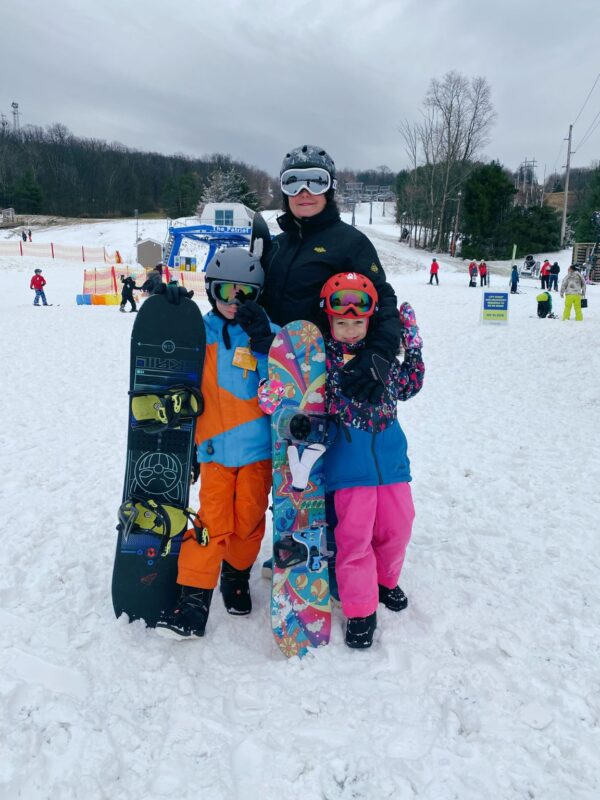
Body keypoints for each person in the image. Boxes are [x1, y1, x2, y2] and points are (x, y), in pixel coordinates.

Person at [258, 144, 402, 589]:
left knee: (330, 464)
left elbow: (385, 304)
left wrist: (377, 357)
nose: (304, 192)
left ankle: (339, 554)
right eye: (293, 182)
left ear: (330, 188)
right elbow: (255, 295)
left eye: (315, 181)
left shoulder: (350, 242)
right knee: (289, 462)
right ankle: (294, 538)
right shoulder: (277, 246)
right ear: (282, 190)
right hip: (282, 373)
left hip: (333, 374)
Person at [155, 246, 278, 638]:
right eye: (225, 291)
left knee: (249, 521)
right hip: (214, 452)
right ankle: (193, 600)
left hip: (258, 452)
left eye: (244, 294)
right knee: (211, 523)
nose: (233, 302)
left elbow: (281, 387)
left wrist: (263, 345)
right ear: (211, 290)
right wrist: (171, 311)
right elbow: (168, 346)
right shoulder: (201, 331)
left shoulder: (269, 334)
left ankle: (236, 574)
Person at [318, 272, 425, 648]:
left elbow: (409, 386)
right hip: (349, 471)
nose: (350, 330)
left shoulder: (381, 358)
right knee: (354, 541)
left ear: (369, 321)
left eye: (357, 322)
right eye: (341, 323)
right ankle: (360, 610)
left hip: (393, 464)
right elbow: (312, 397)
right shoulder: (326, 364)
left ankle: (385, 580)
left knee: (399, 529)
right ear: (330, 322)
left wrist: (412, 348)